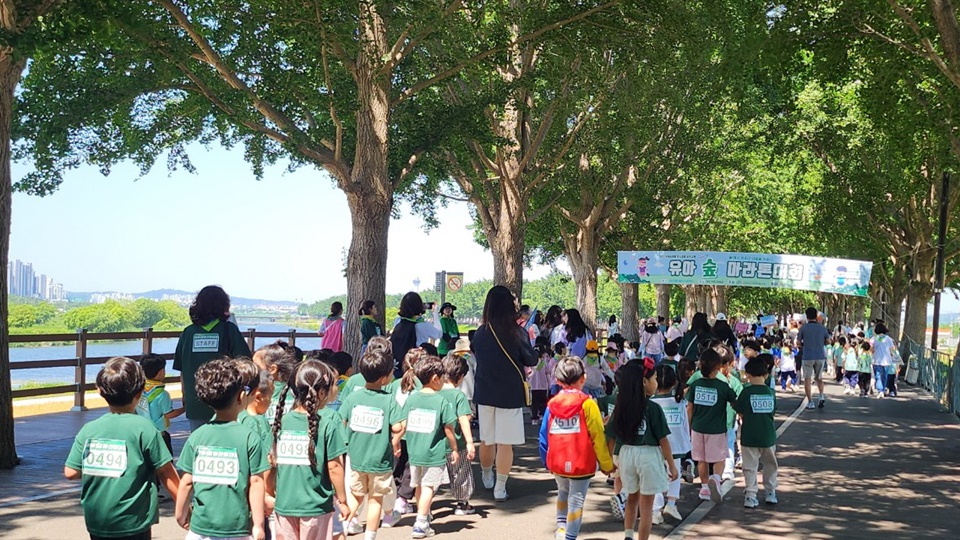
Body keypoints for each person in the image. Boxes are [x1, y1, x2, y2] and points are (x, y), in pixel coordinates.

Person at [65, 357, 180, 540]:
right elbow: (166, 472)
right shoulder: (145, 428)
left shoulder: (89, 429)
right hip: (134, 521)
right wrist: (184, 508)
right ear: (140, 392)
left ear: (100, 390)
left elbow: (71, 472)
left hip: (97, 521)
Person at [175, 358, 269, 540]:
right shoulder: (249, 437)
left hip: (200, 527)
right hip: (237, 528)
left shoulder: (198, 436)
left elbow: (187, 481)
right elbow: (256, 482)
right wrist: (258, 525)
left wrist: (181, 513)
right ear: (241, 396)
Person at [471, 285, 538, 502]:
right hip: (509, 393)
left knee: (487, 440)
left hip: (485, 391)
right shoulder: (516, 332)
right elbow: (531, 359)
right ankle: (500, 487)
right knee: (505, 443)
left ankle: (486, 475)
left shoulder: (481, 332)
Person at [271, 360, 350, 540]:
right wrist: (342, 500)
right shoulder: (327, 425)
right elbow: (335, 468)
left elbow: (272, 463)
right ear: (322, 392)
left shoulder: (279, 422)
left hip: (285, 505)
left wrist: (269, 493)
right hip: (316, 506)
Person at [539, 357, 615, 540]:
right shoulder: (588, 404)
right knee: (577, 501)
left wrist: (546, 460)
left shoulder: (552, 405)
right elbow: (598, 436)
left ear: (558, 380)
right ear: (584, 378)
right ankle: (570, 536)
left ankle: (561, 529)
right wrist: (606, 464)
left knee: (563, 493)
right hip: (582, 462)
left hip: (557, 461)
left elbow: (543, 435)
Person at [607, 358, 677, 540]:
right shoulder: (653, 408)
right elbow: (663, 440)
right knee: (647, 508)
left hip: (626, 455)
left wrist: (610, 461)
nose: (656, 383)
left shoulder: (621, 407)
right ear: (644, 382)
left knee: (632, 499)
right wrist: (672, 465)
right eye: (654, 379)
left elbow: (611, 435)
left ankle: (628, 534)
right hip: (648, 455)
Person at [339, 348, 406, 540]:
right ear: (385, 378)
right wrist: (398, 434)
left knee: (356, 495)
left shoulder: (352, 398)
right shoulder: (388, 400)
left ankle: (344, 526)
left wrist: (347, 440)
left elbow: (341, 420)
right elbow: (397, 426)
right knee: (376, 499)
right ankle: (370, 535)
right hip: (380, 460)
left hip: (355, 456)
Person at [174, 285, 252, 430]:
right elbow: (246, 364)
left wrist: (185, 394)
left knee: (199, 443)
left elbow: (182, 370)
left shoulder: (188, 333)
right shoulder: (229, 330)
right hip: (225, 402)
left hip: (195, 402)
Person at [403, 356, 459, 539]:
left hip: (414, 451)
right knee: (429, 487)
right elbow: (449, 428)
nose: (444, 380)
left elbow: (404, 423)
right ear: (435, 378)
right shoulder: (440, 401)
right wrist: (455, 449)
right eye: (443, 377)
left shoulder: (411, 399)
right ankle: (420, 522)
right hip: (433, 453)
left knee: (419, 485)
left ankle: (424, 514)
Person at [685, 348, 738, 503]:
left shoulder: (696, 385)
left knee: (701, 460)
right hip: (717, 429)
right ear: (717, 366)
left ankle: (704, 487)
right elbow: (735, 403)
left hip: (698, 428)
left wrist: (689, 426)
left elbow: (689, 407)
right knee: (719, 459)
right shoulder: (723, 386)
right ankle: (715, 478)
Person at [736, 356, 779, 508]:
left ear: (747, 375)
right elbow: (772, 413)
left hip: (749, 436)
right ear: (766, 375)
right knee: (770, 465)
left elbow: (740, 411)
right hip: (768, 435)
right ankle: (770, 492)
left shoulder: (746, 392)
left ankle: (750, 494)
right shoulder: (770, 393)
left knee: (750, 466)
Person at [650, 364, 690, 524]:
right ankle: (671, 504)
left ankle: (655, 510)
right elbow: (685, 424)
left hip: (656, 446)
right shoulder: (680, 402)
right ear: (674, 382)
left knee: (657, 476)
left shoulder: (651, 403)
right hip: (677, 445)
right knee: (675, 474)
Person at [439, 354, 478, 516]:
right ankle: (462, 503)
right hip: (457, 442)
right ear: (461, 376)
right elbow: (464, 419)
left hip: (436, 444)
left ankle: (424, 508)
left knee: (431, 478)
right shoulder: (458, 396)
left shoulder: (434, 392)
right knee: (461, 473)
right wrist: (470, 442)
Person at [136, 353, 184, 454]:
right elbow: (169, 414)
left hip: (142, 433)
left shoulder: (138, 390)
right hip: (159, 435)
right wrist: (184, 408)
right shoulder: (162, 394)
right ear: (161, 372)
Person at [390, 292, 442, 378]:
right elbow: (439, 334)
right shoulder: (423, 325)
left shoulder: (398, 321)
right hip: (416, 365)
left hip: (397, 366)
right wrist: (435, 314)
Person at [796, 307, 831, 410]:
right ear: (816, 316)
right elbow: (828, 341)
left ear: (806, 316)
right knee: (819, 377)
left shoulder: (803, 328)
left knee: (807, 379)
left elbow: (798, 342)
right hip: (820, 355)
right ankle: (821, 396)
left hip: (807, 356)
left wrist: (804, 345)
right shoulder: (822, 328)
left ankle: (810, 401)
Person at [528, 338, 553, 425]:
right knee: (543, 402)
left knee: (534, 403)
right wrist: (549, 384)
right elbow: (547, 373)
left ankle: (534, 418)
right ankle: (542, 415)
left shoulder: (531, 362)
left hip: (532, 386)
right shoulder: (544, 362)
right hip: (543, 385)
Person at [870, 323, 896, 398]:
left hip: (876, 360)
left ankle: (880, 390)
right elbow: (892, 349)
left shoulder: (874, 339)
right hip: (887, 360)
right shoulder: (888, 339)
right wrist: (893, 355)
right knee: (885, 376)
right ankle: (883, 389)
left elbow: (871, 349)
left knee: (878, 376)